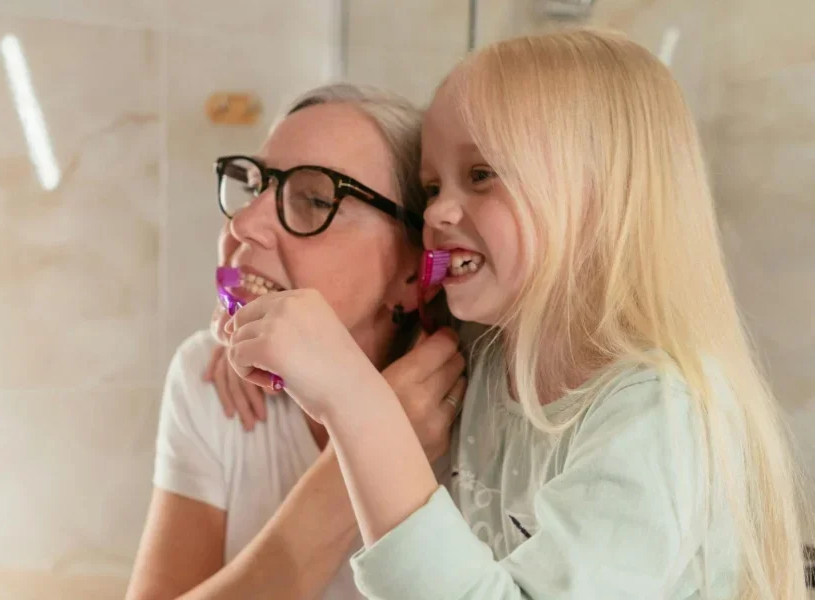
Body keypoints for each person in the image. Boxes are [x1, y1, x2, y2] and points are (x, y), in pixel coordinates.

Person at [223, 30, 810, 599]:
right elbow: (375, 327)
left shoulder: (657, 418)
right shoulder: (491, 359)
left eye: (480, 175)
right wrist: (241, 334)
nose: (439, 212)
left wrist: (354, 402)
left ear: (598, 201)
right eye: (431, 187)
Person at [126, 83, 466, 600]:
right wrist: (370, 436)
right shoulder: (211, 380)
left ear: (411, 270)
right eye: (255, 185)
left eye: (313, 200)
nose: (242, 223)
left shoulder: (476, 413)